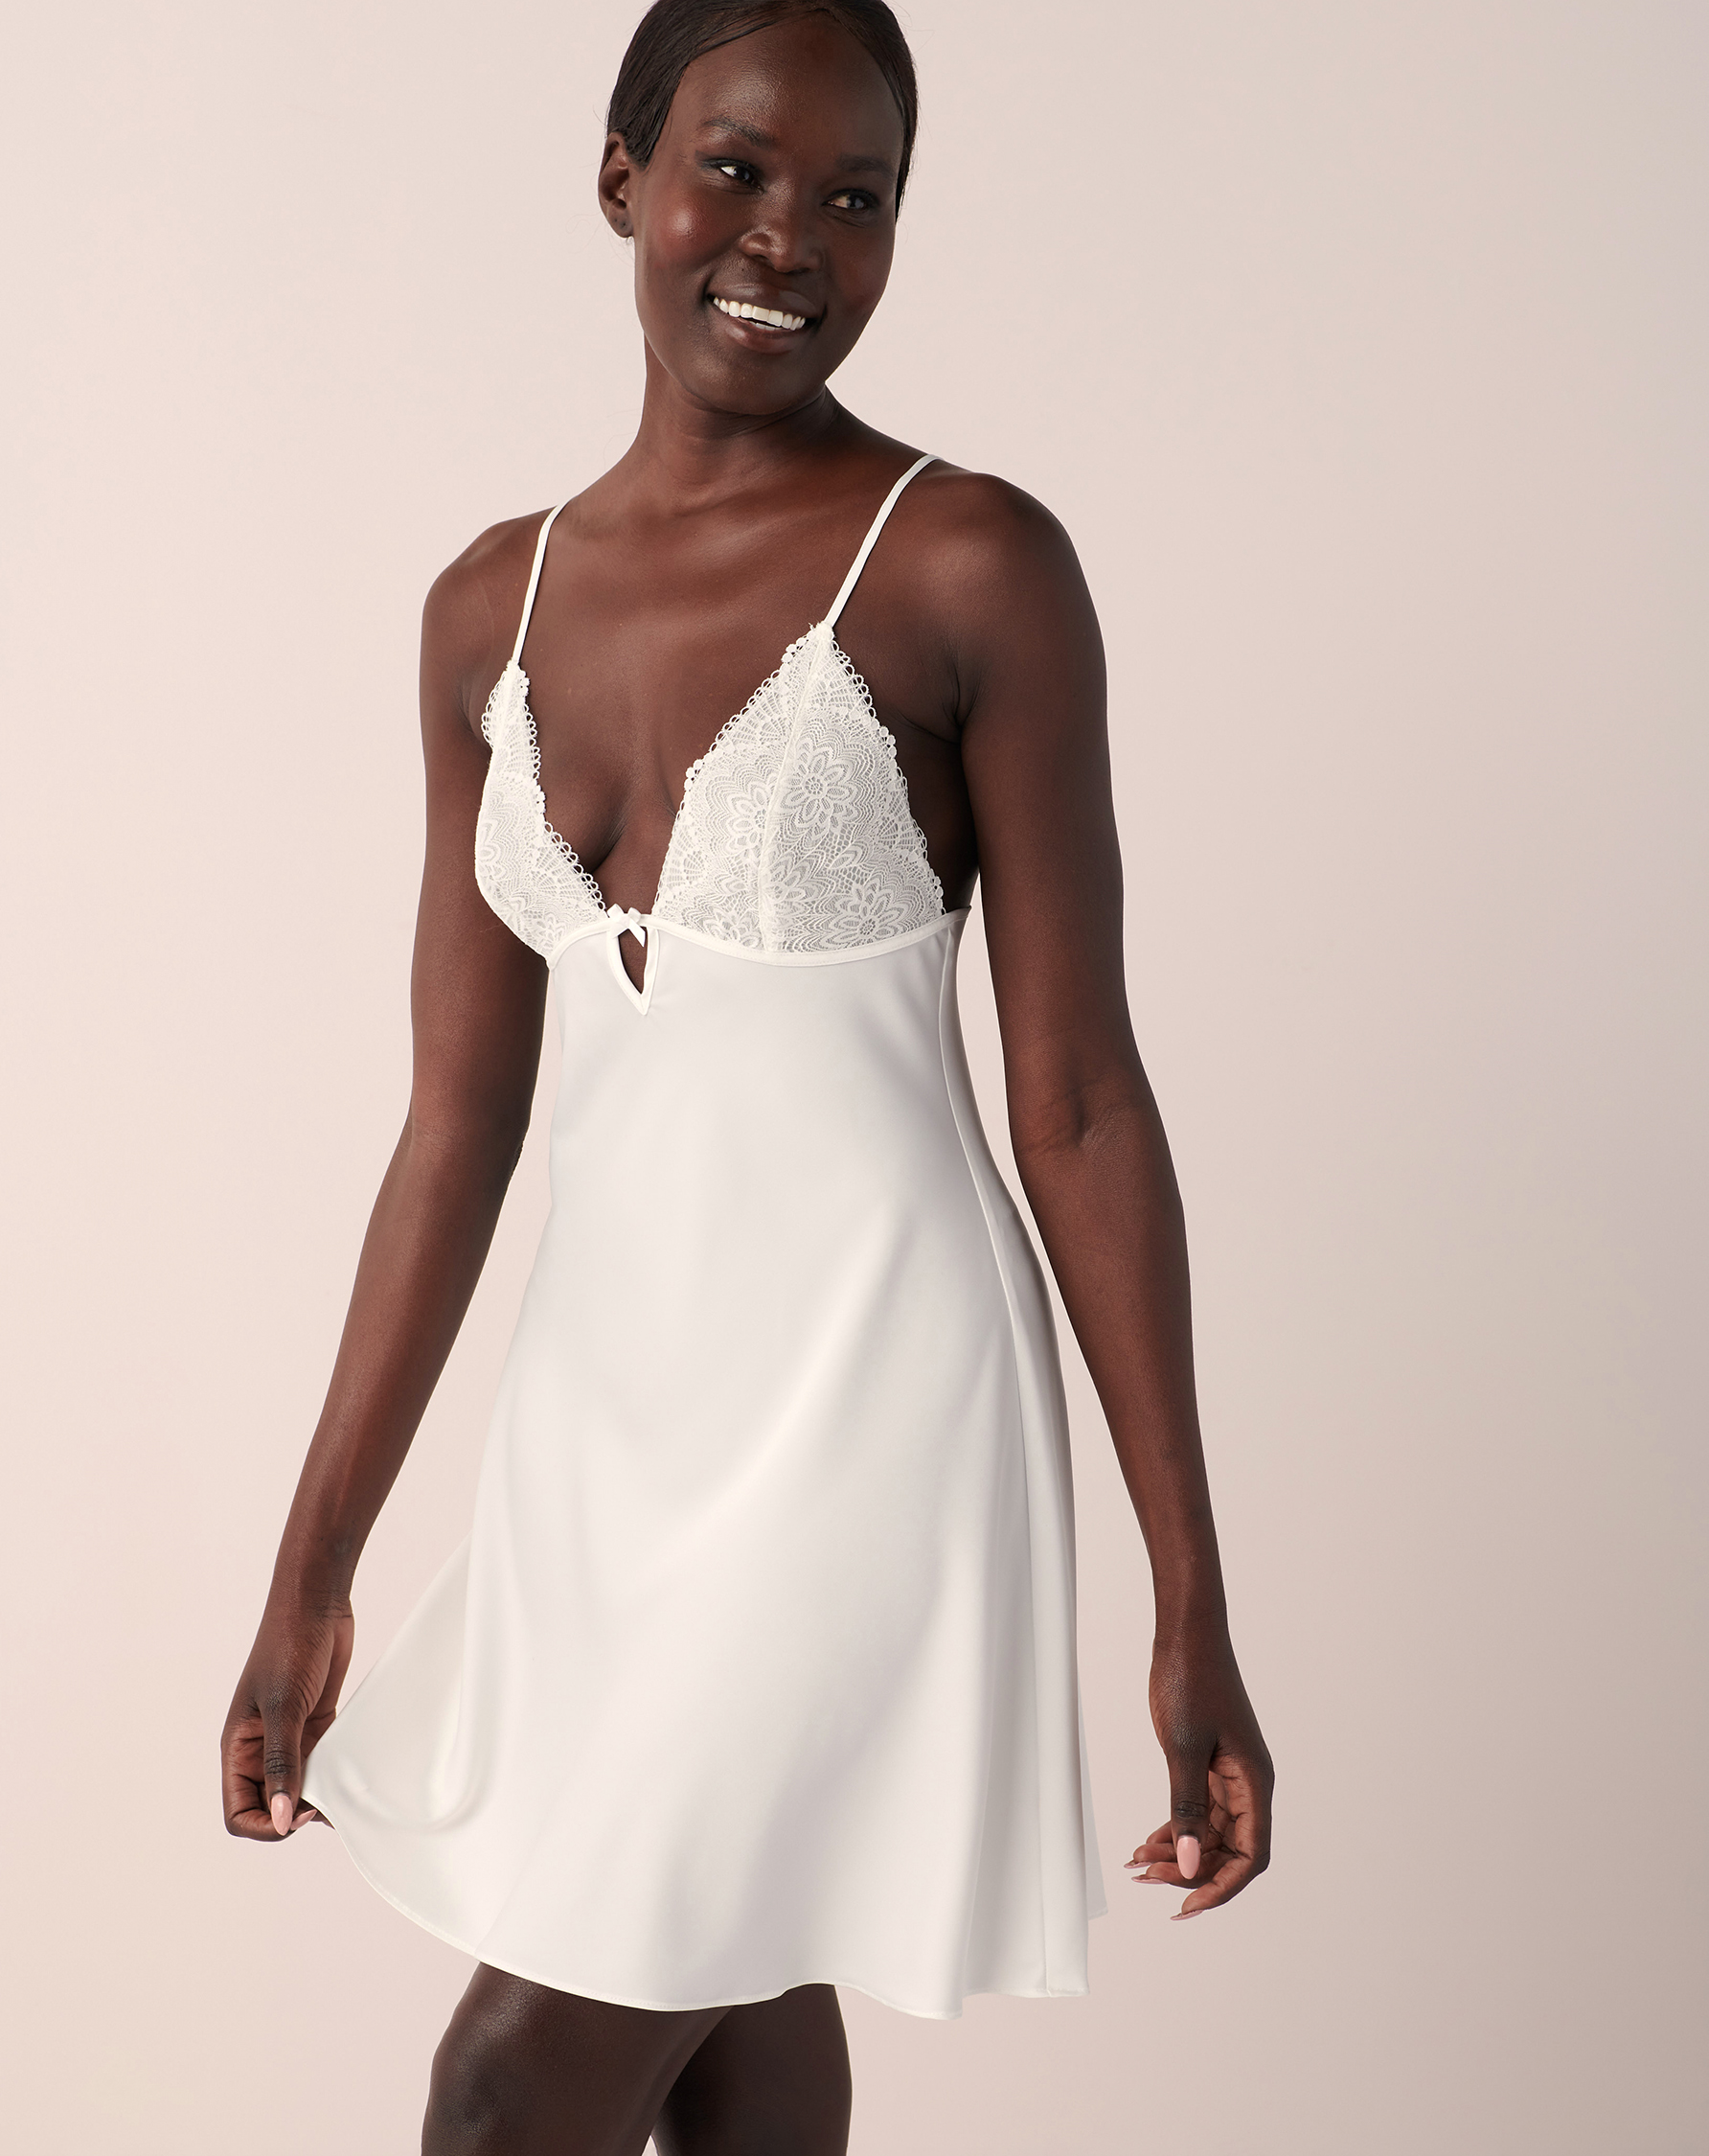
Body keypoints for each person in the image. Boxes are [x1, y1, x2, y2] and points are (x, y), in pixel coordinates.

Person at [220, 2, 1273, 2148]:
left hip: (869, 1411)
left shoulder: (971, 563)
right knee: (736, 2011)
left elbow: (1079, 1102)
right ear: (620, 174)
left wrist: (1191, 1595)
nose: (789, 238)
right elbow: (457, 1126)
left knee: (514, 2080)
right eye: (736, 167)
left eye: (856, 197)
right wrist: (312, 1561)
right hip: (606, 1432)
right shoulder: (483, 611)